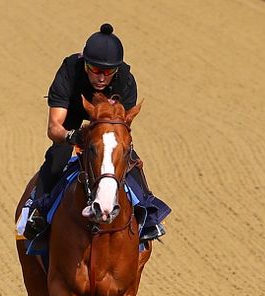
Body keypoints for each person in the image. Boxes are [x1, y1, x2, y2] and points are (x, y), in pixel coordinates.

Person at [24, 23, 168, 241]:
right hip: (72, 115)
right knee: (58, 156)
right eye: (95, 70)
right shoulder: (69, 71)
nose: (102, 77)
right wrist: (71, 137)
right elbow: (54, 127)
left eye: (109, 71)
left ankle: (148, 215)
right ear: (84, 63)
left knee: (128, 159)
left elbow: (121, 132)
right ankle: (38, 211)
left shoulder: (126, 81)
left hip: (108, 121)